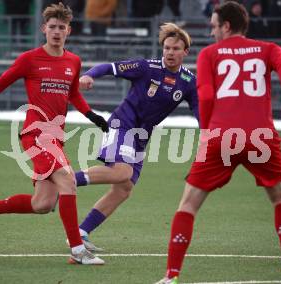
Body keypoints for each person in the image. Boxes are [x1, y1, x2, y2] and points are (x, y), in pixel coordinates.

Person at [155, 2, 281, 284]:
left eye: (214, 26)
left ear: (226, 26)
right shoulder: (268, 49)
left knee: (188, 204)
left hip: (223, 135)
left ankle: (171, 276)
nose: (212, 32)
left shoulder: (209, 55)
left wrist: (208, 132)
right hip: (260, 136)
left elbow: (207, 96)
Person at [0, 2, 108, 265]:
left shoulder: (73, 61)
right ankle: (78, 251)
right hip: (35, 136)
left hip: (55, 138)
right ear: (44, 28)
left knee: (42, 203)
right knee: (68, 182)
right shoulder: (30, 59)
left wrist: (92, 116)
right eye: (52, 27)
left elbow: (73, 93)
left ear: (69, 30)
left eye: (62, 27)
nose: (56, 31)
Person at [73, 23, 199, 252]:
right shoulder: (145, 67)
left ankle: (80, 233)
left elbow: (199, 110)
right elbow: (109, 67)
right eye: (167, 48)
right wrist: (89, 75)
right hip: (122, 124)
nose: (170, 52)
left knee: (124, 188)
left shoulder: (189, 82)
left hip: (141, 136)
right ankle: (67, 180)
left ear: (185, 52)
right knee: (123, 172)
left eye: (175, 49)